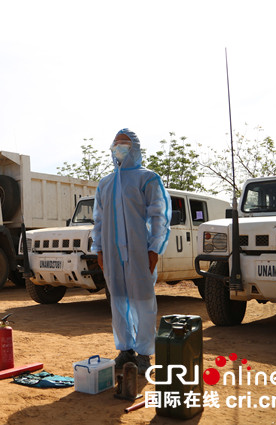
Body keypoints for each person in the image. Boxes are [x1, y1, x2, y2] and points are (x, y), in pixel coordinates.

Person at [91, 128, 171, 375]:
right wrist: (99, 249)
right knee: (118, 301)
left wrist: (154, 249)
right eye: (116, 144)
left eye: (124, 144)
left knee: (143, 302)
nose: (119, 148)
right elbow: (99, 220)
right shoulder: (105, 183)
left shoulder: (147, 178)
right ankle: (125, 349)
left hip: (139, 250)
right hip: (113, 253)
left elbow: (160, 215)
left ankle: (145, 353)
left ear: (134, 148)